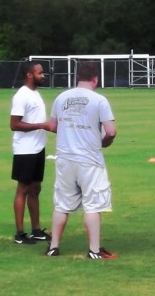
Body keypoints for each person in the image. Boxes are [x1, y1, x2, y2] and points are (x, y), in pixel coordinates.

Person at [45, 61, 118, 260]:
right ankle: (94, 250)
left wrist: (71, 130)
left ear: (77, 77)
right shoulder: (99, 100)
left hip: (65, 158)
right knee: (93, 205)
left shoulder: (61, 97)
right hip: (89, 159)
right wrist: (104, 141)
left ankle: (53, 247)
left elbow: (52, 126)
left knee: (62, 204)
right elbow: (111, 131)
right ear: (96, 78)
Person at [10, 61, 54, 245]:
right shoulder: (22, 96)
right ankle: (20, 234)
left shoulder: (35, 94)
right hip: (25, 150)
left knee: (35, 189)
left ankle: (36, 230)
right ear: (30, 75)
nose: (43, 75)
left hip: (38, 149)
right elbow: (14, 124)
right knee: (23, 189)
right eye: (40, 73)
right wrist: (41, 125)